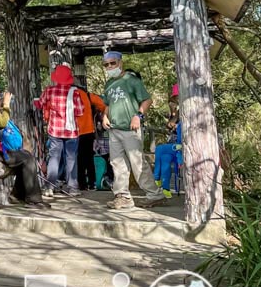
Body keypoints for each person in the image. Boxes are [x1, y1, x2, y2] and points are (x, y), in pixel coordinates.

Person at [101, 51, 165, 209]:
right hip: (114, 129)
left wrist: (138, 116)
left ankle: (155, 194)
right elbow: (108, 104)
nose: (110, 66)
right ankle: (122, 196)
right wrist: (104, 117)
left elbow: (147, 100)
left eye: (113, 63)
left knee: (137, 163)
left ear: (120, 62)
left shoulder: (132, 80)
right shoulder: (108, 84)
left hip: (130, 129)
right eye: (106, 64)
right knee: (117, 164)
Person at [0, 83, 45, 206]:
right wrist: (6, 104)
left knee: (25, 156)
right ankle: (33, 199)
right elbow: (3, 122)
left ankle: (17, 195)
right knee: (27, 158)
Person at [37, 65, 85, 197]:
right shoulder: (74, 93)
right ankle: (72, 187)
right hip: (71, 131)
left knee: (54, 158)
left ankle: (49, 187)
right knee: (71, 158)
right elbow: (80, 111)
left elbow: (40, 104)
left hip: (55, 130)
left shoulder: (49, 91)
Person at [153, 83, 183, 198]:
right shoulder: (178, 111)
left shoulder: (187, 110)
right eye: (175, 98)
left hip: (181, 145)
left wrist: (176, 126)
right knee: (165, 159)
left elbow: (174, 126)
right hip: (174, 144)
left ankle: (156, 178)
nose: (177, 100)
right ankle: (165, 189)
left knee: (159, 149)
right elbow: (169, 125)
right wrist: (173, 112)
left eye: (178, 97)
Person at [76, 85, 107, 191]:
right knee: (89, 158)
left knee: (76, 158)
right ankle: (92, 183)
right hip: (88, 130)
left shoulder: (67, 94)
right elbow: (103, 106)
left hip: (71, 131)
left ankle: (80, 184)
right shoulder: (88, 95)